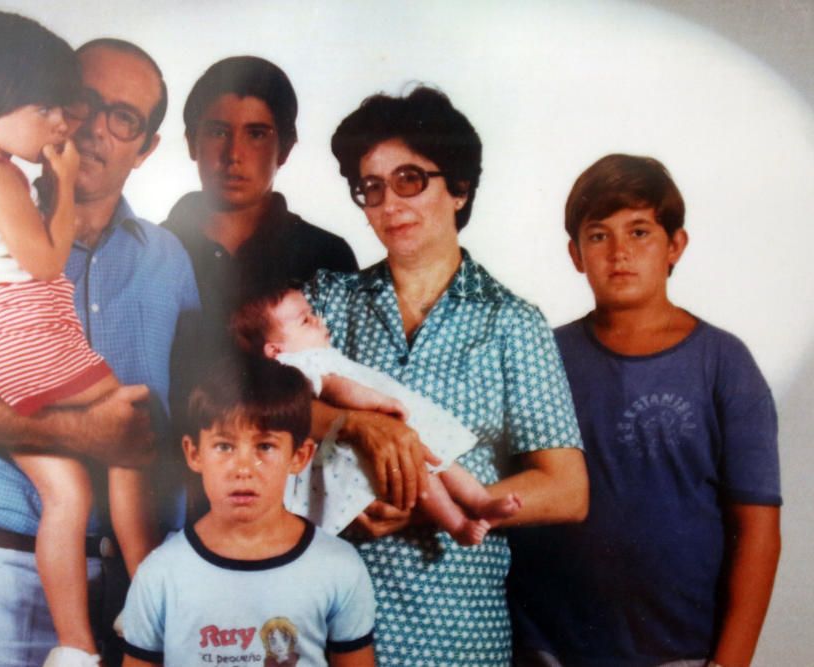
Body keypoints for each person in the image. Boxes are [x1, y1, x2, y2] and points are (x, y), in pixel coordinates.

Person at [0, 33, 200, 667]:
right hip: (9, 580)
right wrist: (87, 434)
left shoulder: (170, 259)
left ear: (146, 149)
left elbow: (193, 411)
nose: (86, 128)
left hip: (147, 582)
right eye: (77, 100)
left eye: (124, 118)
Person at [302, 86, 588, 666]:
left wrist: (431, 503)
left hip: (455, 635)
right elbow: (267, 413)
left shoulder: (510, 323)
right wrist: (353, 426)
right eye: (371, 187)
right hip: (325, 626)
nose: (389, 204)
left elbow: (567, 489)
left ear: (458, 188)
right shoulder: (327, 301)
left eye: (410, 179)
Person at [507, 154, 782, 667]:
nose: (619, 254)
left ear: (675, 244)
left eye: (639, 233)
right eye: (598, 236)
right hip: (547, 646)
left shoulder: (723, 363)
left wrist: (732, 661)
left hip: (677, 648)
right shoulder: (541, 356)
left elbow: (758, 527)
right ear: (575, 253)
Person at [119, 355, 376, 667]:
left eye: (265, 447)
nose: (243, 469)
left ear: (300, 455)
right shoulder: (160, 574)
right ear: (194, 453)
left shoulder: (338, 567)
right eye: (224, 446)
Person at [232, 286, 522, 542]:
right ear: (274, 349)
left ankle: (481, 503)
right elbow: (337, 388)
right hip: (362, 438)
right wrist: (379, 403)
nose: (320, 321)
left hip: (379, 429)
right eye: (306, 320)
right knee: (421, 469)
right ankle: (458, 522)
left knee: (437, 459)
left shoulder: (309, 356)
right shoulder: (300, 363)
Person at [162, 55, 358, 361]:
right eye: (218, 132)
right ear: (191, 142)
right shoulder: (153, 251)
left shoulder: (326, 256)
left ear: (285, 149)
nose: (234, 154)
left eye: (256, 134)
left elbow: (346, 375)